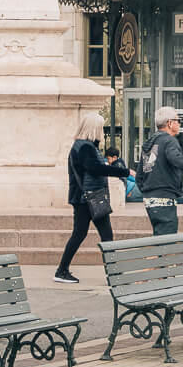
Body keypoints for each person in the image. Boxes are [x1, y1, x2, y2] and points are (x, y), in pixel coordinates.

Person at [55, 112, 128, 283]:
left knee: (83, 234)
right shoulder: (86, 147)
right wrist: (123, 171)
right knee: (103, 235)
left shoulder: (82, 146)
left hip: (84, 198)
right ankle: (113, 274)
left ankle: (62, 270)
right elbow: (95, 169)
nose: (102, 131)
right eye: (101, 128)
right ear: (95, 129)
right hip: (89, 198)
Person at [136, 108, 183, 236]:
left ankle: (159, 256)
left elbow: (140, 174)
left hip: (150, 200)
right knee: (167, 239)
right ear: (170, 123)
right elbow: (177, 159)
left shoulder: (149, 143)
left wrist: (147, 191)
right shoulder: (169, 140)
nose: (180, 124)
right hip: (164, 197)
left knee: (159, 236)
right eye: (178, 121)